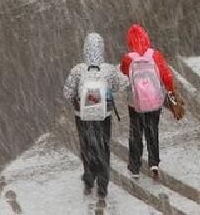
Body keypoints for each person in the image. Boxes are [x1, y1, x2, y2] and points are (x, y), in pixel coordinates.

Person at [63, 33, 119, 199]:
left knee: (87, 146)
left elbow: (66, 93)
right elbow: (116, 86)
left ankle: (89, 179)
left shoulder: (78, 70)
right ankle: (103, 185)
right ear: (101, 48)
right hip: (104, 115)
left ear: (85, 49)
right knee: (104, 145)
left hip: (83, 116)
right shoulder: (108, 69)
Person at [120, 24, 179, 179]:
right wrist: (171, 93)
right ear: (146, 37)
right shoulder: (155, 55)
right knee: (152, 130)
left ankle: (134, 167)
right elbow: (166, 76)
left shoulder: (128, 58)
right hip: (154, 100)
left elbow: (124, 73)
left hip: (135, 102)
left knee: (136, 133)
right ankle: (154, 163)